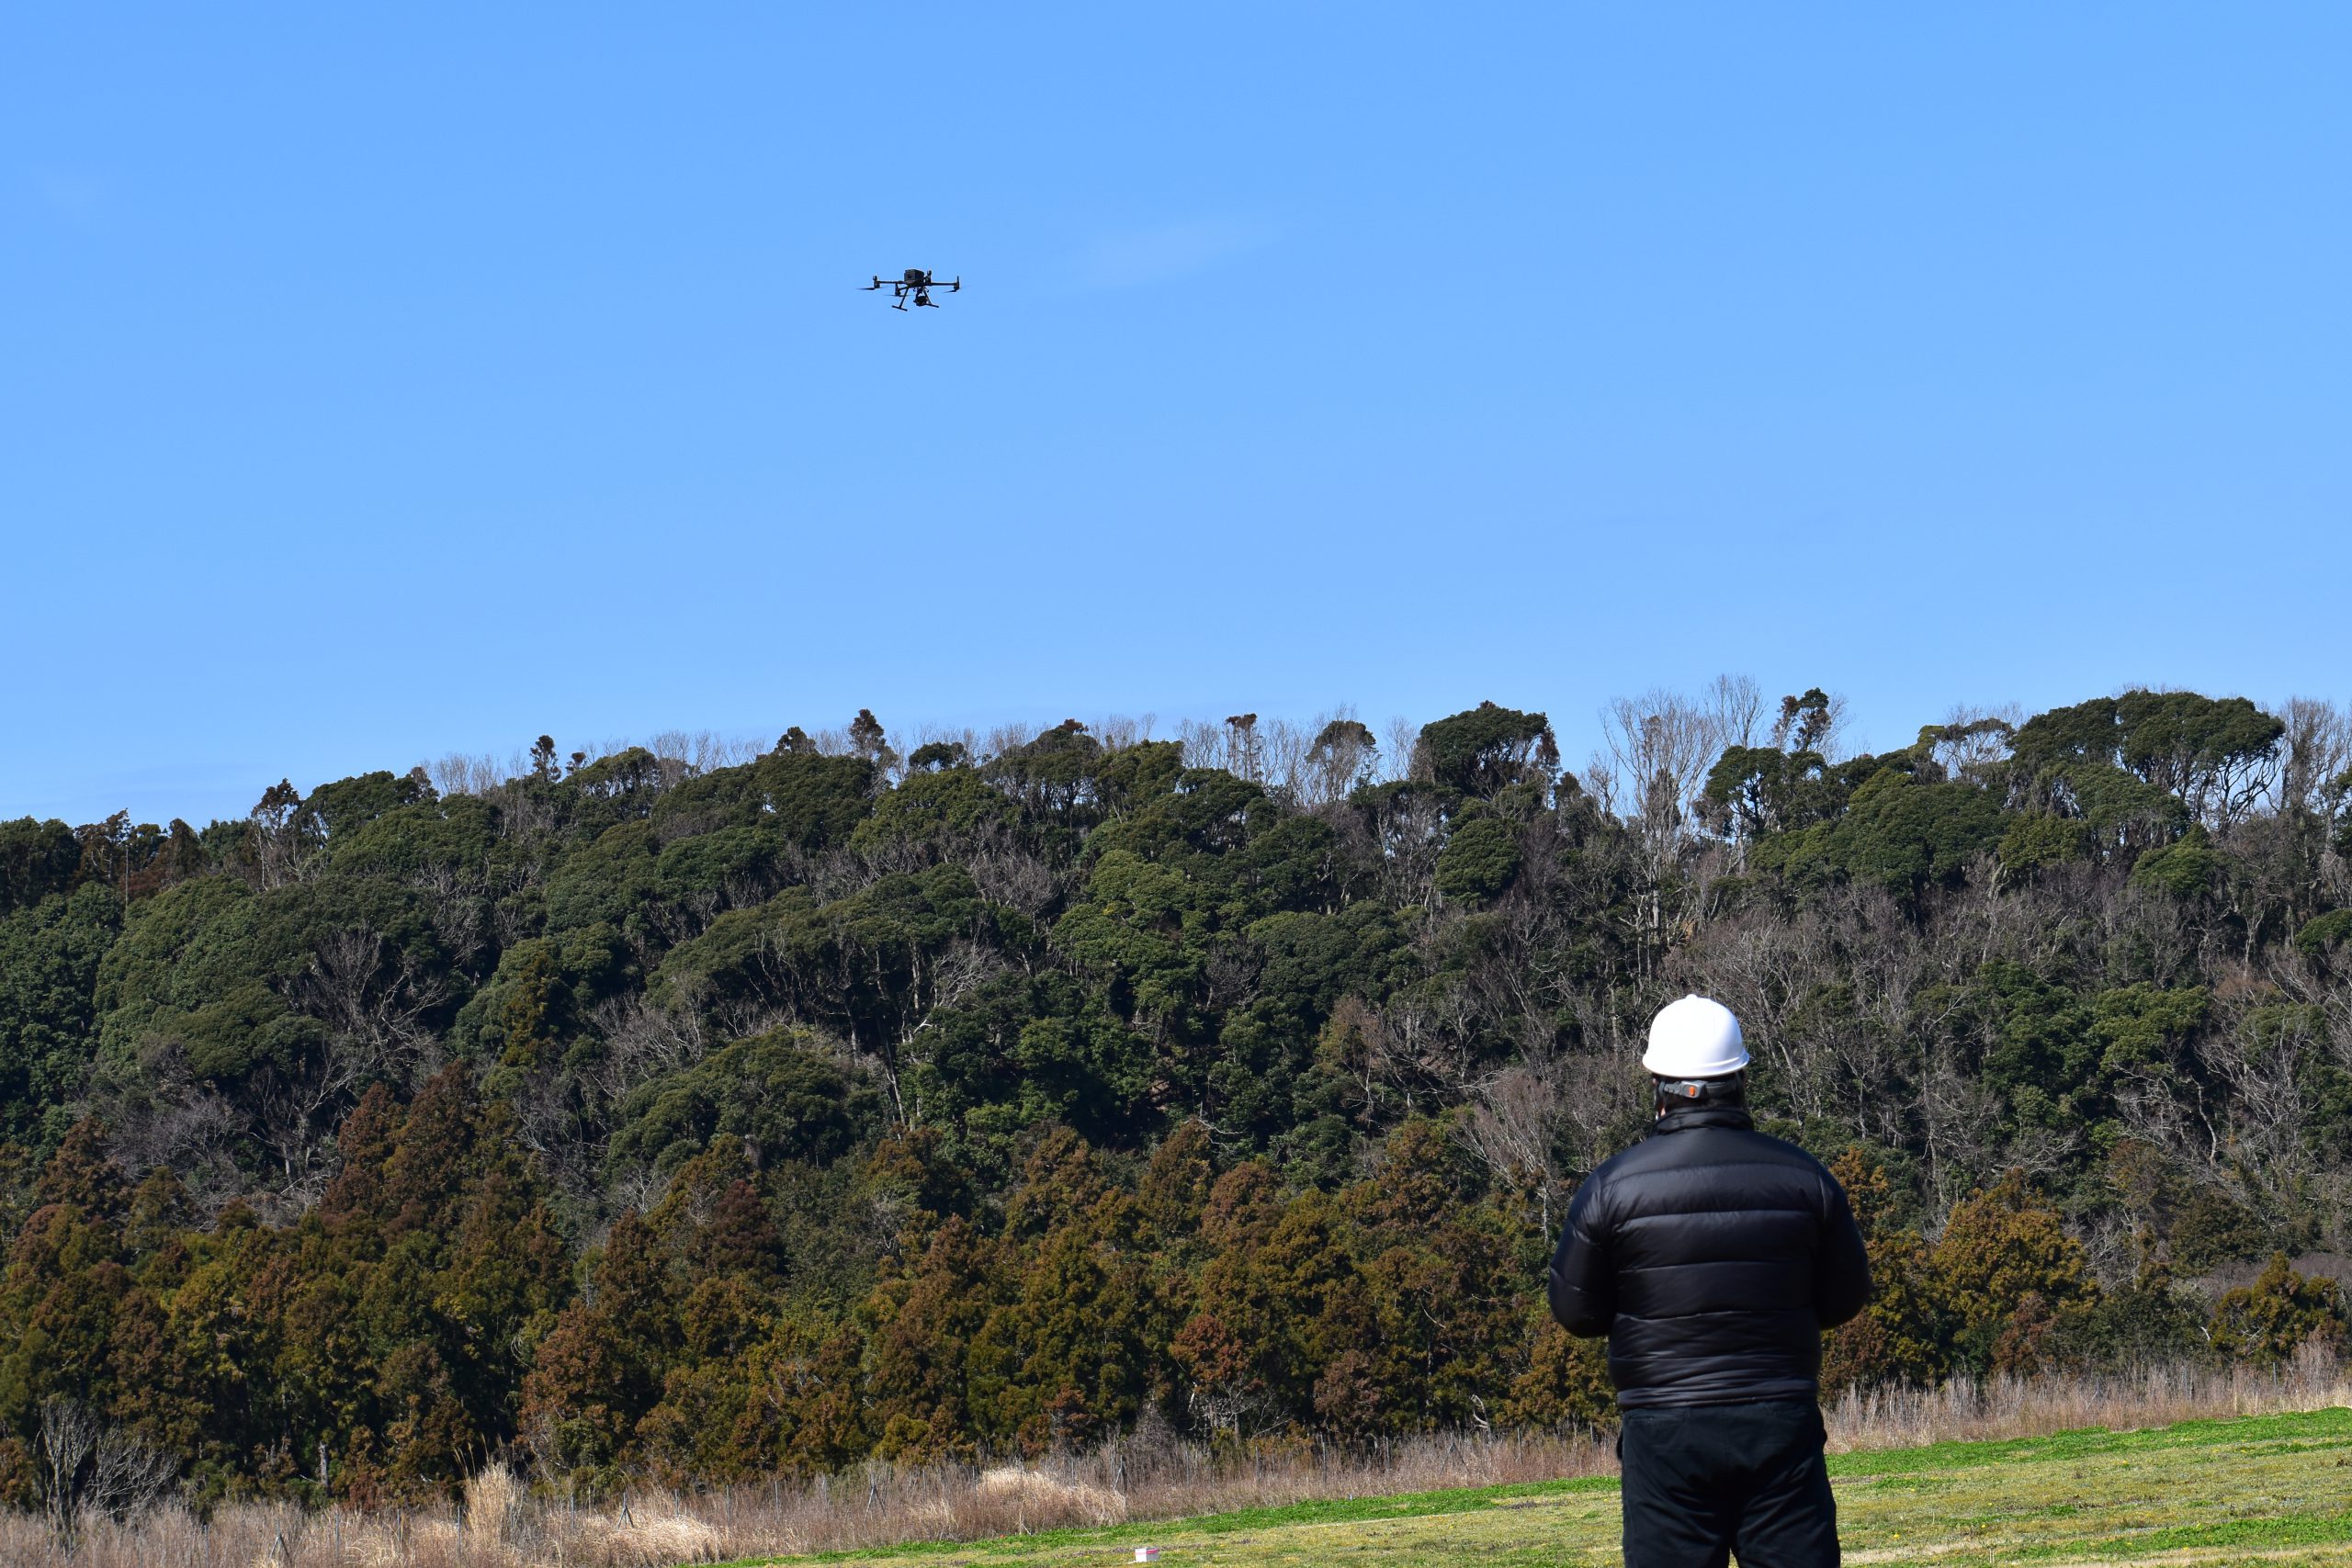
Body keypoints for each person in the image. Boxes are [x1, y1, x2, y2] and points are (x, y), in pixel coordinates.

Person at [1549, 995, 1871, 1568]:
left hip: (1663, 1425)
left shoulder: (1611, 1187)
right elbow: (1845, 1298)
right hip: (1778, 1417)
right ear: (1739, 1078)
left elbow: (1577, 1313)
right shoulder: (1805, 1178)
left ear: (1660, 1086)